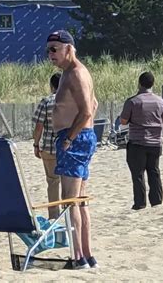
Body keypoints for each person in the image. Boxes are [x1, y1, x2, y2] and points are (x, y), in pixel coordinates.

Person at [47, 30, 98, 269]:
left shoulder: (76, 73)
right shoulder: (74, 73)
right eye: (48, 50)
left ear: (69, 48)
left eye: (54, 49)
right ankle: (87, 254)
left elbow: (87, 110)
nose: (50, 54)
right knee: (81, 200)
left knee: (71, 200)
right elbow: (95, 104)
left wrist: (70, 138)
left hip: (73, 140)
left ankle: (79, 256)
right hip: (80, 138)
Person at [120, 71, 163, 210]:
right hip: (156, 142)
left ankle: (140, 203)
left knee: (138, 174)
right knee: (154, 171)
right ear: (153, 84)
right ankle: (156, 201)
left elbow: (123, 121)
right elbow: (162, 120)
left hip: (138, 142)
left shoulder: (133, 101)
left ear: (139, 83)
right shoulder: (160, 101)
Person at [32, 72, 62, 219]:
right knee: (70, 181)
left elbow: (39, 126)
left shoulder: (46, 101)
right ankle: (69, 212)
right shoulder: (72, 100)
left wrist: (36, 145)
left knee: (53, 181)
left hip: (50, 147)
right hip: (69, 147)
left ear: (51, 86)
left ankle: (54, 215)